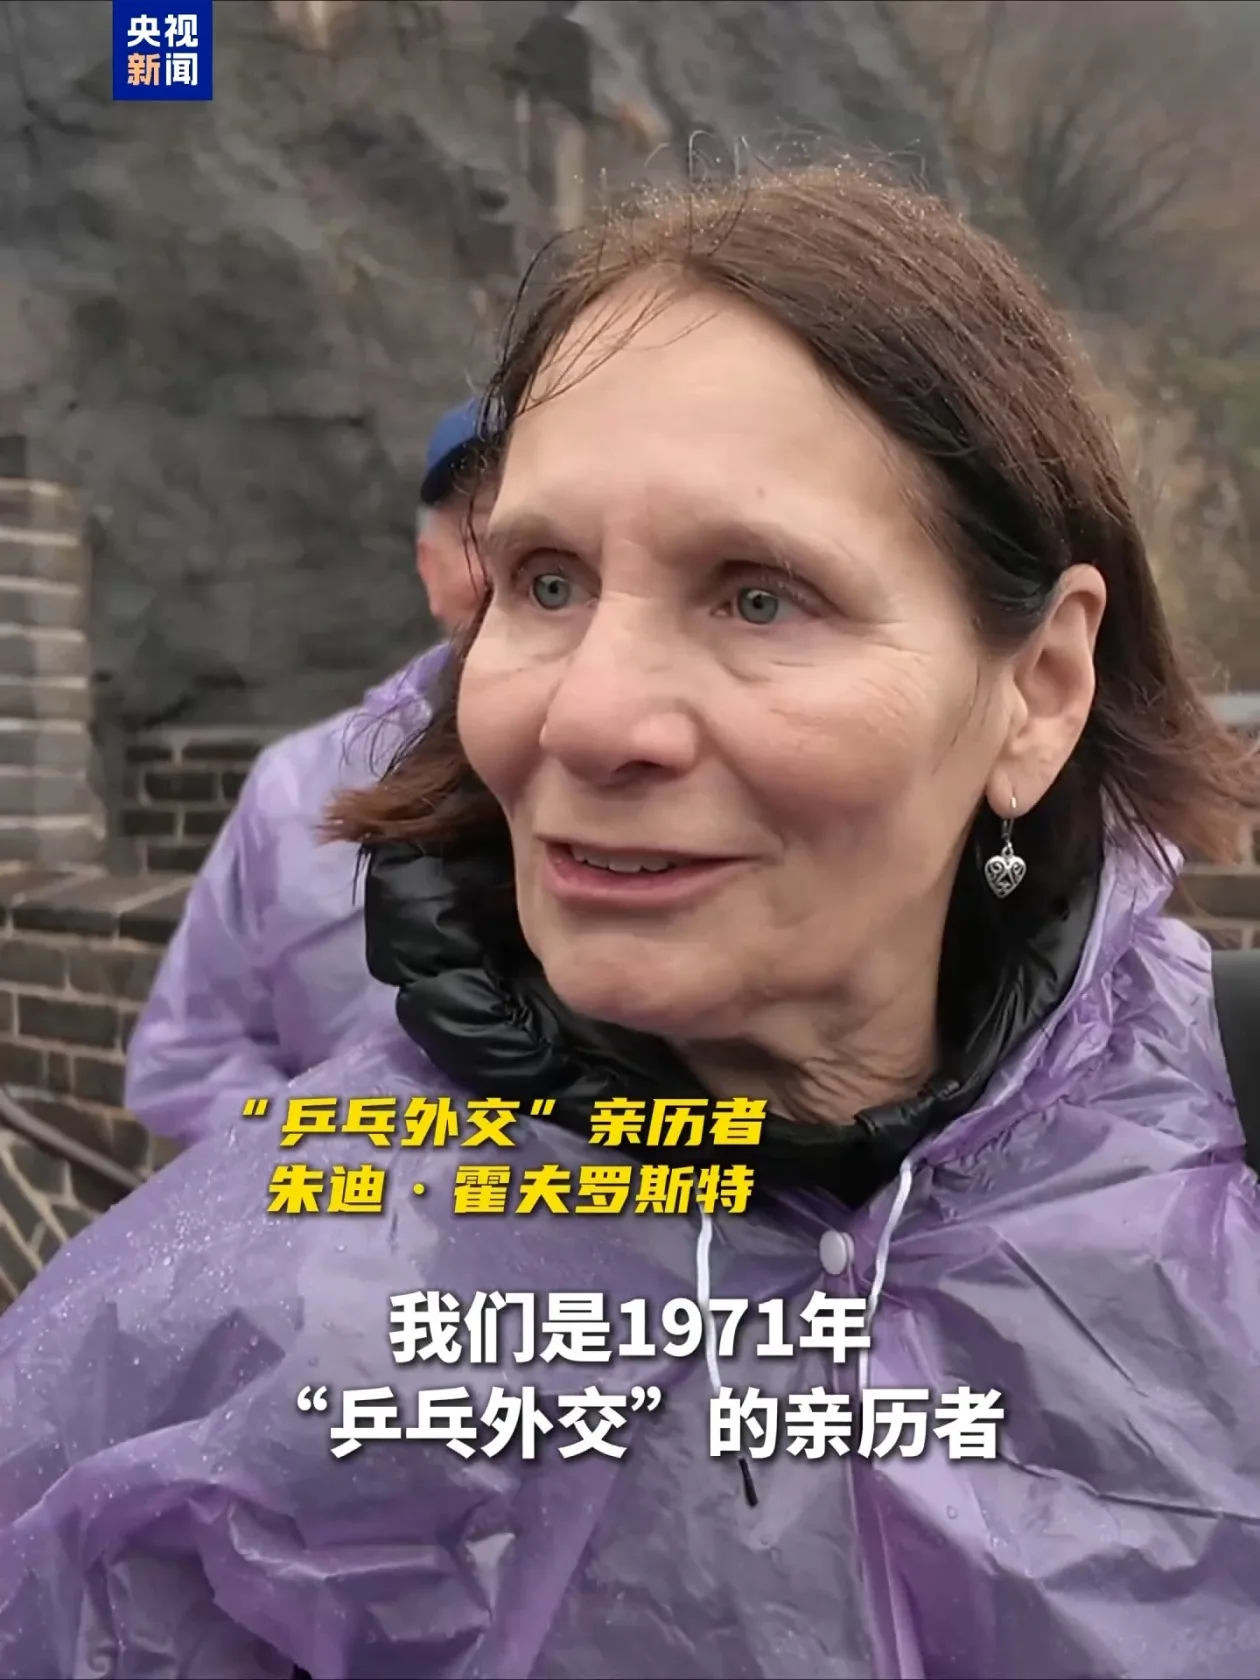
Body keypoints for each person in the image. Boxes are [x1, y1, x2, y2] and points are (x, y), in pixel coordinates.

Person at [2, 166, 1260, 1680]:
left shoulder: (1221, 1149)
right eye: (546, 582)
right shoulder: (232, 1329)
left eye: (759, 597)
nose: (589, 717)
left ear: (1039, 690)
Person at [123, 399, 486, 1146]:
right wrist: (346, 1155)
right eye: (483, 533)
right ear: (430, 569)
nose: (516, 573)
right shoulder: (296, 789)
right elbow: (189, 1056)